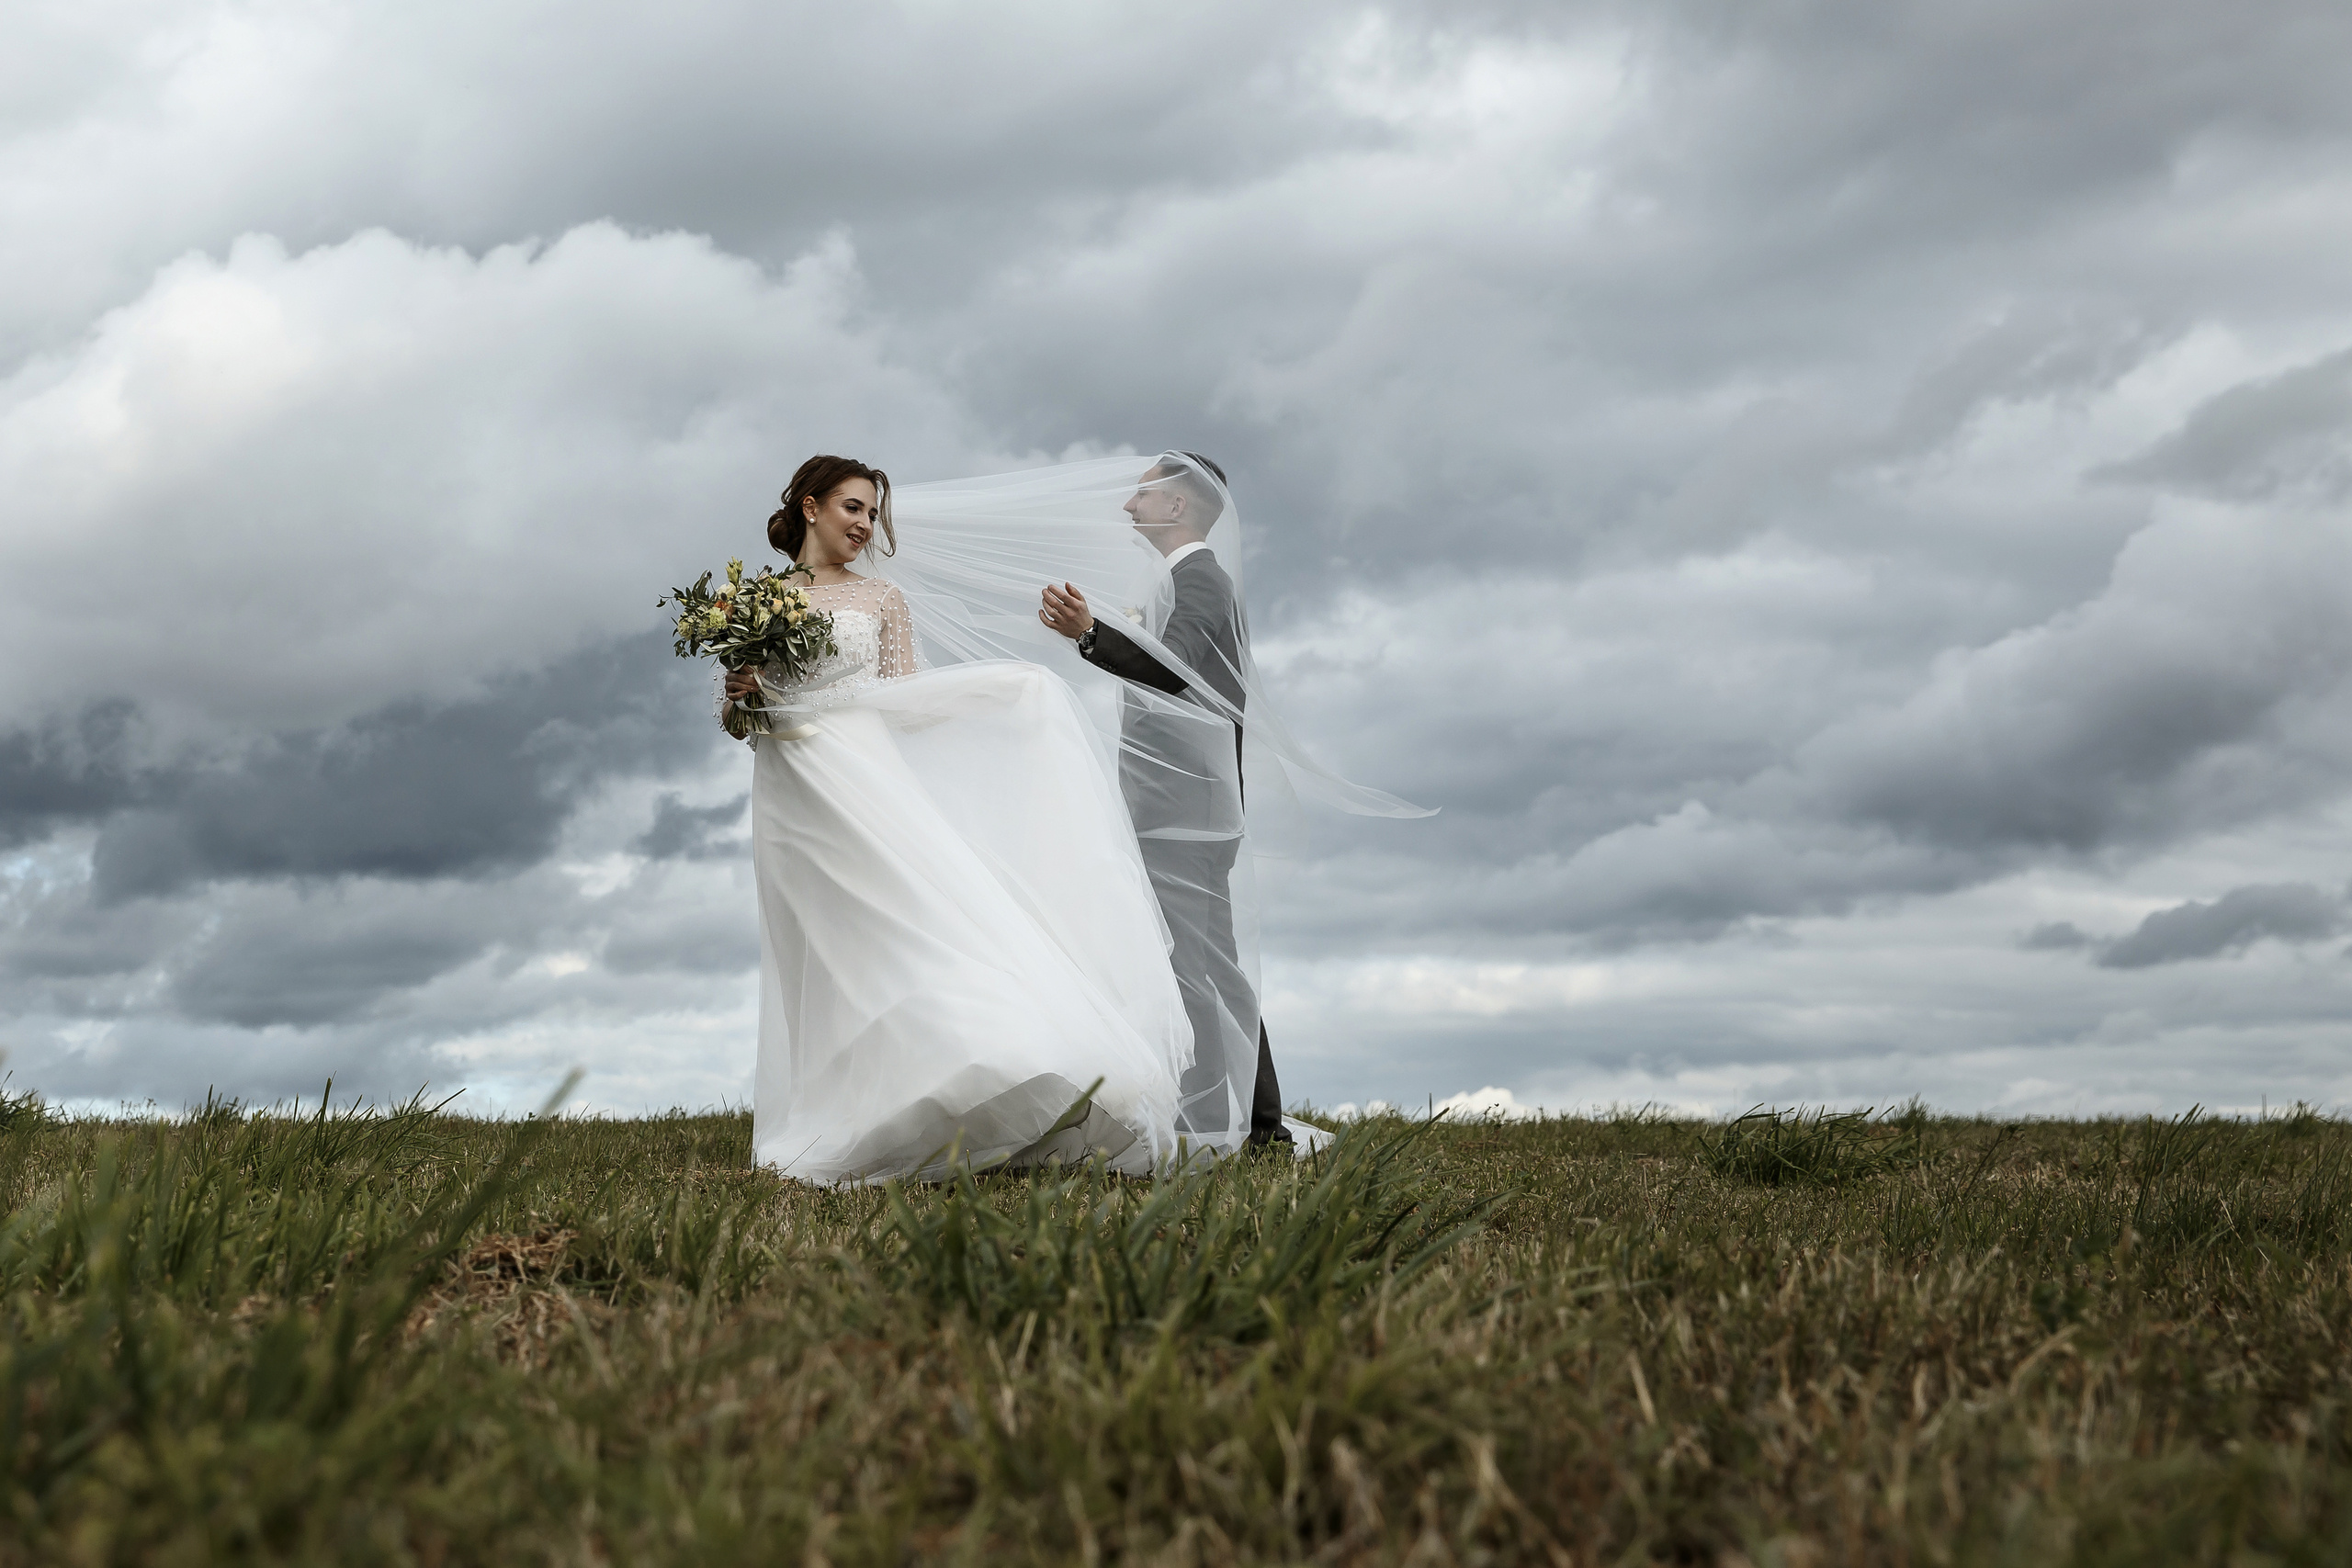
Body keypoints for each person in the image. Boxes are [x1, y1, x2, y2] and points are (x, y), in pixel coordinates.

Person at [723, 455, 1193, 1184]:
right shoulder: (754, 599)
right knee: (822, 952)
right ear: (809, 507)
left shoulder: (882, 598)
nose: (865, 524)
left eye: (873, 513)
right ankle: (853, 1108)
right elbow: (738, 722)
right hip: (789, 789)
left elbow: (905, 701)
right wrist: (740, 694)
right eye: (852, 508)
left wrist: (1004, 696)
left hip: (865, 779)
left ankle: (998, 1066)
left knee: (906, 929)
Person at [1035, 454, 1292, 1146]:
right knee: (1208, 960)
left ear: (1179, 506)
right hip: (1177, 803)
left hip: (1190, 810)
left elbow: (1173, 672)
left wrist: (1091, 633)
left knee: (1198, 964)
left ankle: (1232, 1121)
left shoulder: (1201, 579)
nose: (1128, 506)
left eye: (1143, 492)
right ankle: (1257, 1118)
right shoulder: (1185, 580)